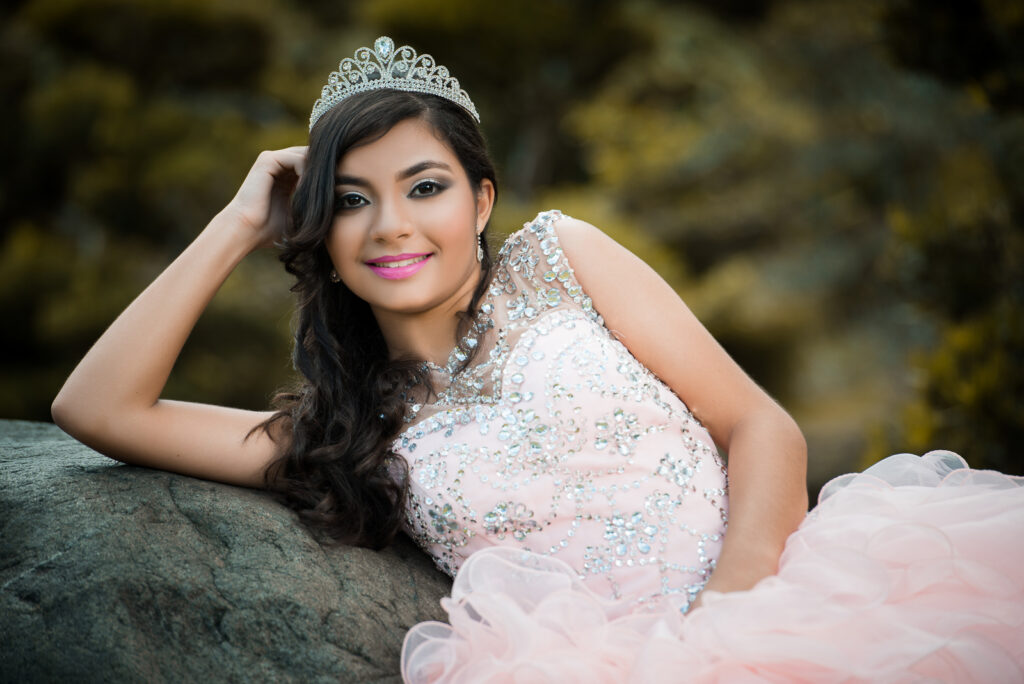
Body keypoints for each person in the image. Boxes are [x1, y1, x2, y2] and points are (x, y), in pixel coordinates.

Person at [52, 36, 1023, 682]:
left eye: (423, 186)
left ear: (479, 202)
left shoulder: (561, 258)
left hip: (784, 596)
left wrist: (732, 625)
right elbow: (97, 407)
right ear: (321, 233)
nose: (391, 225)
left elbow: (757, 424)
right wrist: (234, 224)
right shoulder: (346, 431)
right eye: (350, 199)